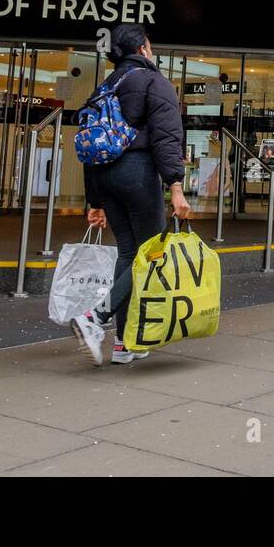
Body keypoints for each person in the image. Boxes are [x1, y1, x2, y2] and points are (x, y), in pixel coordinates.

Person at [70, 24, 191, 366]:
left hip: (104, 176)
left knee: (129, 254)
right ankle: (95, 318)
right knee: (150, 254)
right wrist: (176, 187)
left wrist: (94, 201)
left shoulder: (105, 87)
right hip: (136, 174)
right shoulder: (155, 82)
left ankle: (124, 344)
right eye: (150, 45)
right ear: (142, 49)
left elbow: (91, 145)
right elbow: (167, 138)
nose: (152, 51)